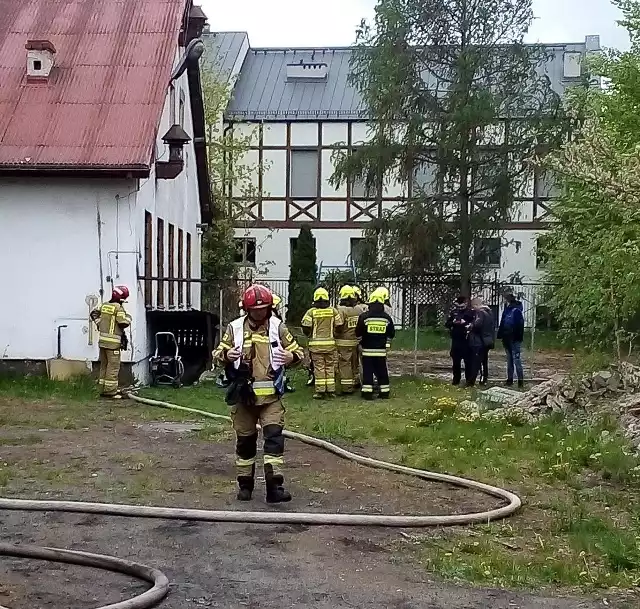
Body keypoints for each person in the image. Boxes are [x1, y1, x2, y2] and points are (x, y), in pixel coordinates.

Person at [214, 284, 303, 503]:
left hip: (271, 397)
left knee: (273, 439)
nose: (260, 314)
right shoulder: (234, 328)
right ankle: (245, 486)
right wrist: (227, 354)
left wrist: (292, 358)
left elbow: (299, 352)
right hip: (244, 397)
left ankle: (274, 488)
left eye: (263, 309)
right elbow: (216, 354)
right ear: (247, 310)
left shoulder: (278, 328)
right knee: (245, 442)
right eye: (255, 310)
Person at [90, 286, 132, 399]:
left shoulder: (104, 305)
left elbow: (94, 313)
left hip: (103, 341)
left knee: (104, 365)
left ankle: (103, 388)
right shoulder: (118, 308)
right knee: (113, 367)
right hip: (113, 344)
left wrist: (99, 323)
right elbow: (123, 322)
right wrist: (129, 317)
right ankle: (111, 391)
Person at [302, 288, 343, 399]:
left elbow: (306, 327)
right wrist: (335, 334)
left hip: (316, 346)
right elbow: (339, 325)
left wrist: (309, 334)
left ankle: (320, 391)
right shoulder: (333, 311)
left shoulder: (311, 312)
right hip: (330, 345)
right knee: (330, 366)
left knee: (319, 367)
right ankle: (331, 390)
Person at [356, 289, 395, 399]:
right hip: (381, 351)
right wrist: (386, 344)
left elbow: (358, 332)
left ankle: (367, 393)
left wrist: (360, 342)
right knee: (382, 371)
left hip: (367, 350)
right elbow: (391, 333)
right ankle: (384, 392)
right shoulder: (386, 318)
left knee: (368, 372)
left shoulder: (364, 317)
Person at [445, 296, 476, 386]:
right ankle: (456, 380)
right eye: (458, 307)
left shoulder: (471, 313)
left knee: (468, 362)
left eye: (462, 307)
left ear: (466, 304)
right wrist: (453, 322)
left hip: (466, 340)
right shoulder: (454, 312)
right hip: (456, 340)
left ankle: (469, 381)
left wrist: (465, 323)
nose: (460, 309)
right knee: (456, 362)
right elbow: (447, 324)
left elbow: (474, 324)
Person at [335, 285, 360, 394]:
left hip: (343, 342)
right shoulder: (359, 309)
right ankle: (356, 381)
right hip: (355, 341)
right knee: (355, 363)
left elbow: (339, 326)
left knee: (345, 364)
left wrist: (335, 334)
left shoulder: (341, 310)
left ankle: (347, 388)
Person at [497, 291, 525, 388]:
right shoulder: (508, 310)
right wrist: (500, 335)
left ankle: (520, 381)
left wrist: (517, 338)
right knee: (510, 360)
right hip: (507, 339)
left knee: (516, 360)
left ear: (507, 300)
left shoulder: (516, 311)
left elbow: (520, 326)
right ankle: (510, 379)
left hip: (513, 339)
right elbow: (502, 324)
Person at [272, 294, 295, 393]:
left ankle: (282, 384)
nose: (278, 306)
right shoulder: (272, 315)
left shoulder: (274, 314)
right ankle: (279, 385)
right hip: (275, 344)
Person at [470, 296, 496, 386]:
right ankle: (484, 378)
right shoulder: (489, 312)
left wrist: (470, 326)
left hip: (481, 340)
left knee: (478, 361)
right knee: (484, 361)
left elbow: (478, 324)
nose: (473, 309)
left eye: (473, 307)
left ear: (477, 305)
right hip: (488, 339)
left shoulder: (480, 312)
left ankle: (474, 380)